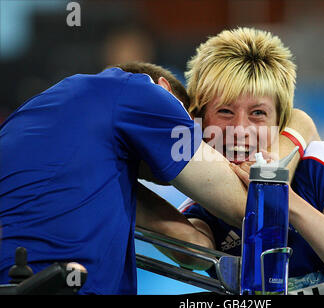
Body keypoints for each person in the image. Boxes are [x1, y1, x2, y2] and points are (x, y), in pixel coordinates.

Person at [143, 27, 324, 295]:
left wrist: (286, 200)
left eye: (258, 113)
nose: (240, 129)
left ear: (279, 122)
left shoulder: (321, 165)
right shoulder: (204, 204)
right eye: (225, 111)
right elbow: (192, 254)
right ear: (200, 121)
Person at [0, 62, 259, 294]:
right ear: (165, 90)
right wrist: (296, 126)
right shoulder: (143, 93)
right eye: (189, 128)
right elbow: (249, 209)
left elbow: (196, 252)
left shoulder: (45, 117)